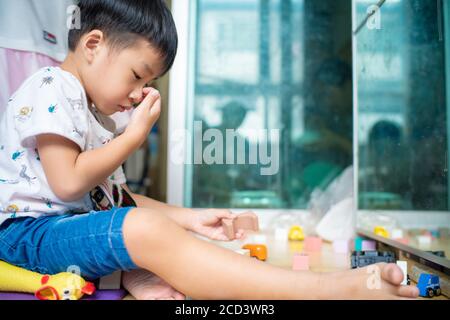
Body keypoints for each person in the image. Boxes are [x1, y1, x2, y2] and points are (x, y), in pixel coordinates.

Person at [0, 0, 419, 300]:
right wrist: (132, 138)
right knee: (143, 229)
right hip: (24, 238)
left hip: (62, 234)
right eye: (136, 75)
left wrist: (191, 220)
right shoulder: (51, 86)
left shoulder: (96, 113)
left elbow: (114, 200)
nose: (138, 94)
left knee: (151, 228)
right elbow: (69, 181)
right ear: (92, 44)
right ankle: (326, 290)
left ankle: (140, 278)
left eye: (147, 84)